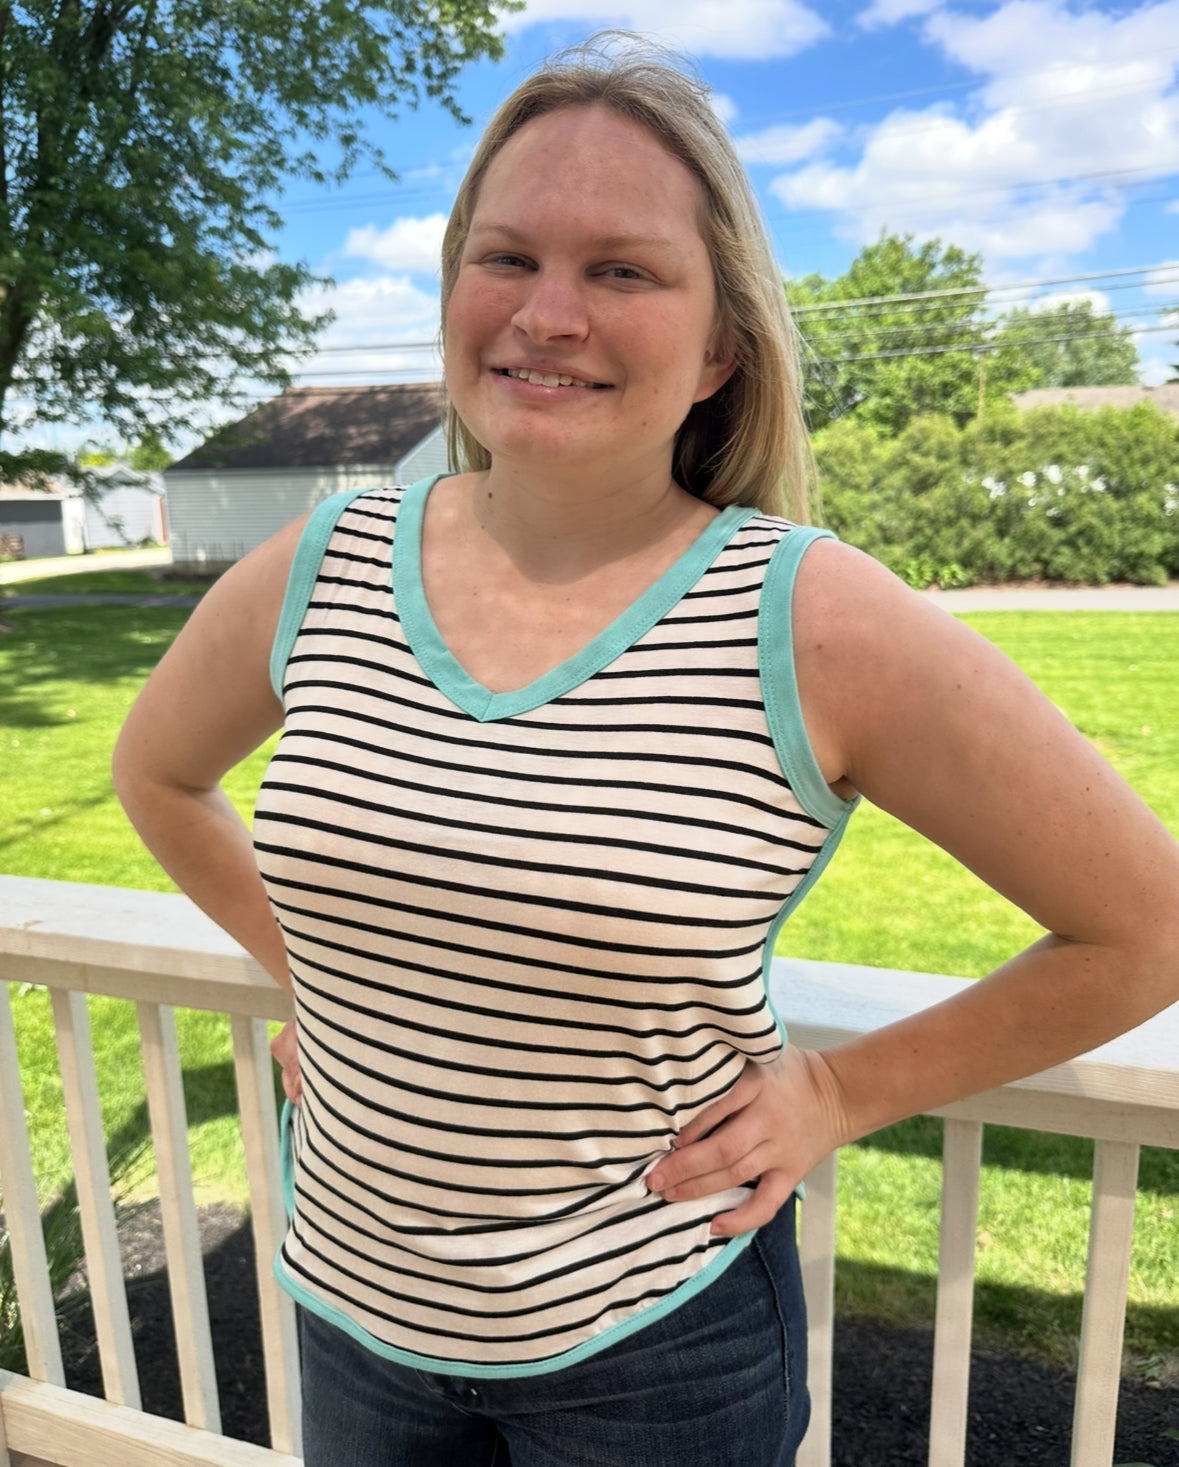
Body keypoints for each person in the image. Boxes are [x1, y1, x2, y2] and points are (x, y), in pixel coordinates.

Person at [112, 34, 1179, 1467]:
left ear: (722, 343)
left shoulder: (813, 617)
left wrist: (844, 1092)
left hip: (653, 1352)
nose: (547, 315)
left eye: (622, 270)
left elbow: (1146, 926)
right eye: (506, 259)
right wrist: (323, 971)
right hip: (350, 1307)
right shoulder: (321, 564)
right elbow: (158, 777)